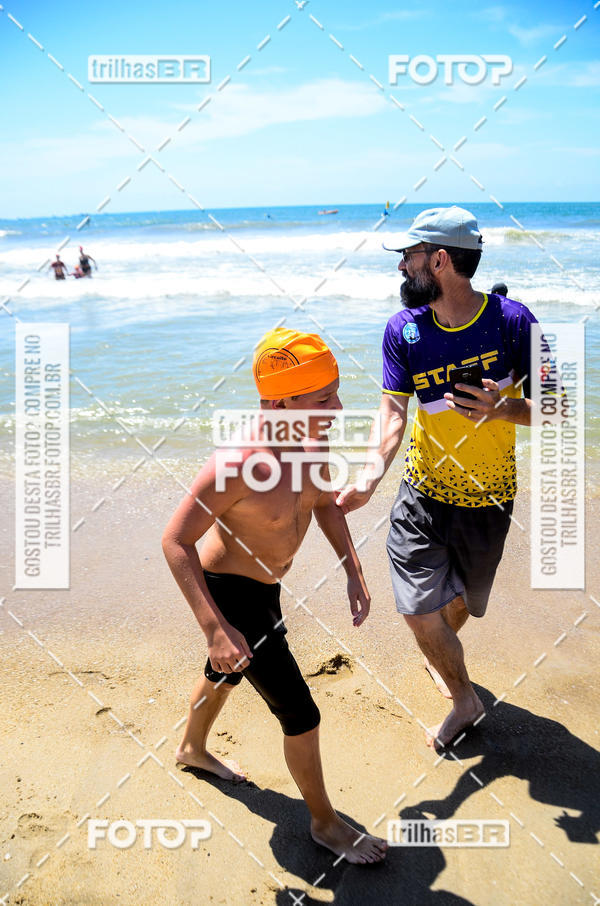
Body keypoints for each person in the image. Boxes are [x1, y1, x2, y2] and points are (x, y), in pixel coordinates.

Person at [162, 328, 387, 865]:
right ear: (282, 402)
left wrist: (353, 570)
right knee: (300, 714)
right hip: (230, 593)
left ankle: (192, 749)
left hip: (267, 590)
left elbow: (326, 503)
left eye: (336, 392)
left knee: (227, 671)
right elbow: (175, 542)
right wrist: (216, 627)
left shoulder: (311, 443)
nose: (338, 407)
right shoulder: (238, 463)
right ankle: (326, 825)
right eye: (323, 398)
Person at [337, 206, 537, 751]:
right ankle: (463, 697)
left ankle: (444, 658)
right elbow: (394, 414)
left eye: (410, 255)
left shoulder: (514, 322)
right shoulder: (403, 330)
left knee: (459, 608)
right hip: (423, 492)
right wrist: (371, 474)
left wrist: (502, 409)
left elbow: (558, 406)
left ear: (441, 259)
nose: (402, 266)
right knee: (419, 608)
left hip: (490, 496)